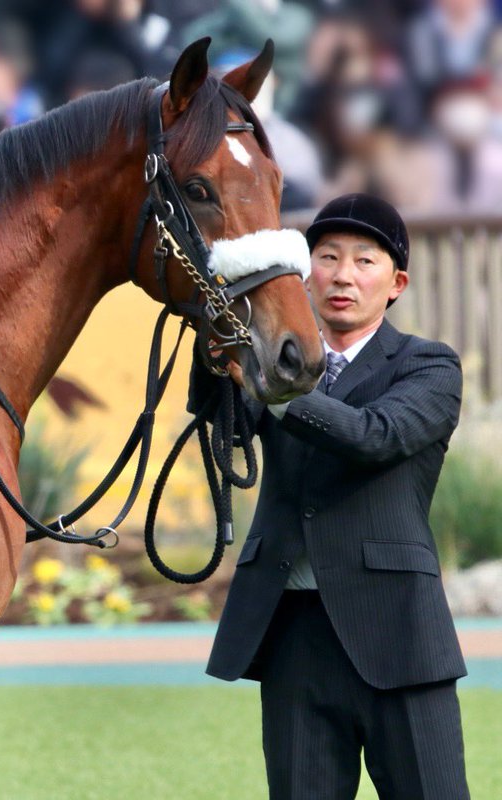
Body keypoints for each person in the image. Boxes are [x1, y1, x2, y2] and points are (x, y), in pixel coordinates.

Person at [198, 194, 469, 799]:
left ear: (396, 282)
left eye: (364, 261)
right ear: (305, 273)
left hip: (399, 633)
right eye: (327, 257)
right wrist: (211, 353)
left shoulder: (429, 365)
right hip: (292, 633)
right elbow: (226, 427)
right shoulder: (279, 356)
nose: (343, 275)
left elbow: (380, 437)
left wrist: (274, 386)